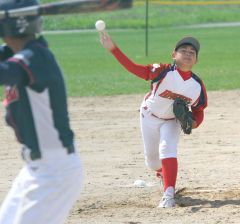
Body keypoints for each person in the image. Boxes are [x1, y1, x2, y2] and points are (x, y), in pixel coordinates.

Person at [99, 31, 207, 208]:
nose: (188, 54)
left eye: (192, 52)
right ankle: (161, 173)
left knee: (168, 149)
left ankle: (168, 195)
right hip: (149, 115)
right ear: (173, 55)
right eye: (183, 50)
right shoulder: (163, 71)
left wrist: (193, 123)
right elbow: (135, 68)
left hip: (172, 120)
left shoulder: (196, 86)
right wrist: (113, 49)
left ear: (196, 60)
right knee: (152, 162)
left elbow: (199, 110)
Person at [0, 0, 83, 223]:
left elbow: (5, 72)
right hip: (36, 169)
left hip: (54, 172)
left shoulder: (36, 58)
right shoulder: (19, 54)